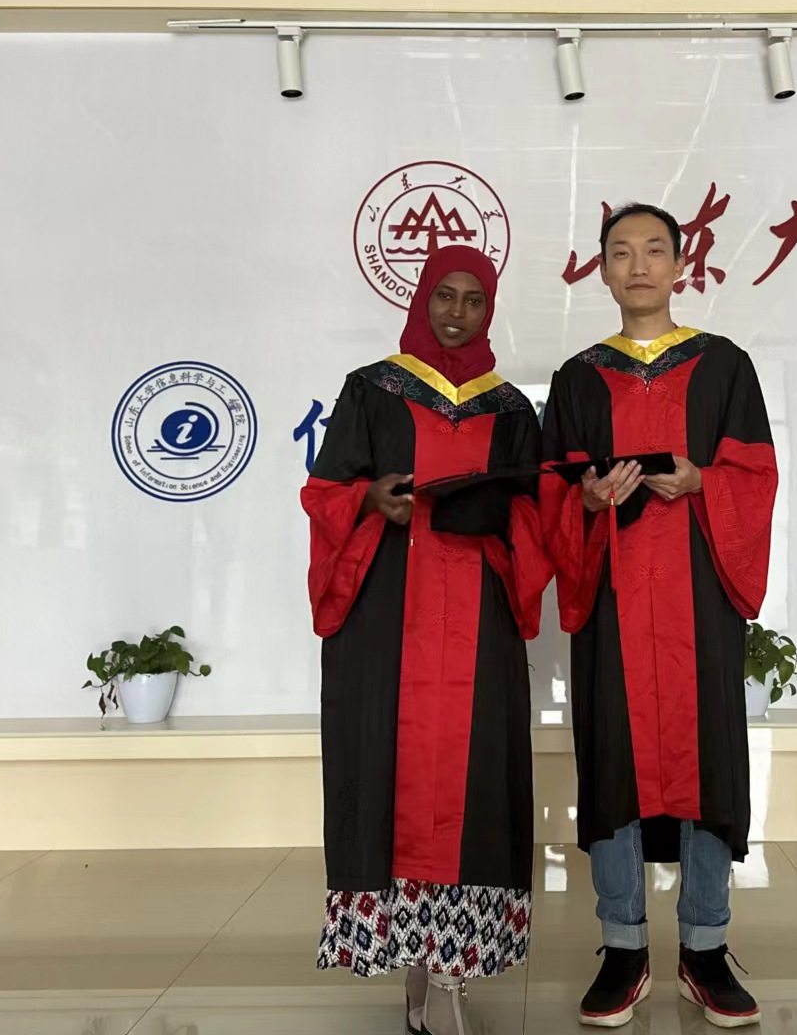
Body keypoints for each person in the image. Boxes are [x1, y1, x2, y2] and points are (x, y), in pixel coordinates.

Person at [541, 203, 778, 1029]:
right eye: (620, 252)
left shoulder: (724, 366)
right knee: (615, 760)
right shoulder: (578, 378)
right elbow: (549, 488)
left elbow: (755, 473)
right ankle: (624, 947)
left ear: (681, 265)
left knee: (707, 760)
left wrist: (701, 480)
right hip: (612, 601)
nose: (637, 265)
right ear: (601, 271)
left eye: (653, 251)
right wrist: (586, 497)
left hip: (699, 600)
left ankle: (706, 948)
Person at [303, 246, 551, 1035]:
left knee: (472, 777)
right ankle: (413, 966)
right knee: (392, 768)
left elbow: (533, 513)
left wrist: (500, 516)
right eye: (445, 295)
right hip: (388, 614)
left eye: (474, 300)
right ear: (421, 298)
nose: (457, 312)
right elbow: (326, 491)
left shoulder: (510, 410)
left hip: (476, 614)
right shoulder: (372, 389)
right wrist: (371, 498)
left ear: (489, 309)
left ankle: (452, 970)